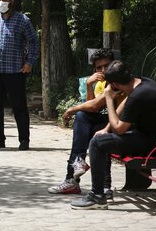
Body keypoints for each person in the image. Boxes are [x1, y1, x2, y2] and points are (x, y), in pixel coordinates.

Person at [71, 60, 156, 209]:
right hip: (151, 138)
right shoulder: (141, 83)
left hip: (152, 146)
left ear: (115, 85)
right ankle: (101, 191)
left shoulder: (138, 96)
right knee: (101, 138)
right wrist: (106, 129)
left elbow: (119, 129)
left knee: (97, 144)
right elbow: (125, 103)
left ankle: (98, 195)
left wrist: (109, 99)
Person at [48, 48, 123, 198]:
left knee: (96, 129)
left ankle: (104, 185)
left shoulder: (118, 81)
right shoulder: (100, 83)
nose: (103, 70)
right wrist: (89, 85)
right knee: (83, 116)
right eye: (99, 67)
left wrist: (71, 109)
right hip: (106, 122)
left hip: (120, 126)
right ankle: (74, 173)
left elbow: (95, 105)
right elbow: (91, 106)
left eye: (106, 66)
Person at [0, 0, 38, 151]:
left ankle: (24, 140)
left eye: (4, 0)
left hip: (15, 71)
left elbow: (34, 41)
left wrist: (30, 62)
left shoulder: (23, 20)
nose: (1, 3)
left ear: (12, 1)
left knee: (19, 107)